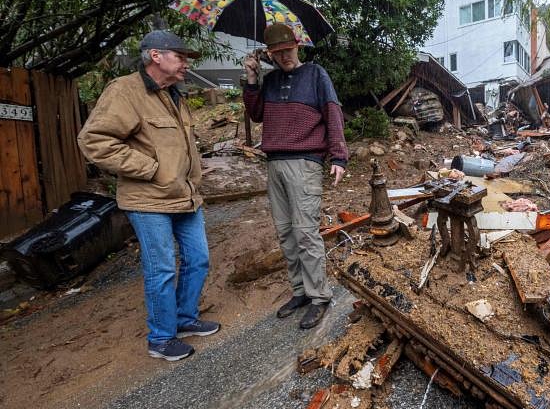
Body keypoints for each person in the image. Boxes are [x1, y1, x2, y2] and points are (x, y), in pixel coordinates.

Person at [78, 30, 219, 362]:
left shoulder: (174, 95)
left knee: (198, 259)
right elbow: (94, 140)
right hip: (148, 200)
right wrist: (151, 168)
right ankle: (161, 337)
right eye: (180, 57)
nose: (185, 63)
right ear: (156, 56)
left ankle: (184, 319)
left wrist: (191, 177)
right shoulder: (125, 91)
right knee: (162, 269)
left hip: (185, 196)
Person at [243, 23, 348, 329]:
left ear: (297, 46)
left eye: (288, 50)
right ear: (270, 55)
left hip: (305, 162)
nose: (285, 57)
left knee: (306, 232)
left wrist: (339, 155)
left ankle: (319, 296)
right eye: (277, 53)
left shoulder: (316, 74)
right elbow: (256, 114)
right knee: (286, 232)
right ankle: (300, 291)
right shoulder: (272, 79)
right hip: (274, 163)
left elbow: (332, 113)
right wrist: (252, 79)